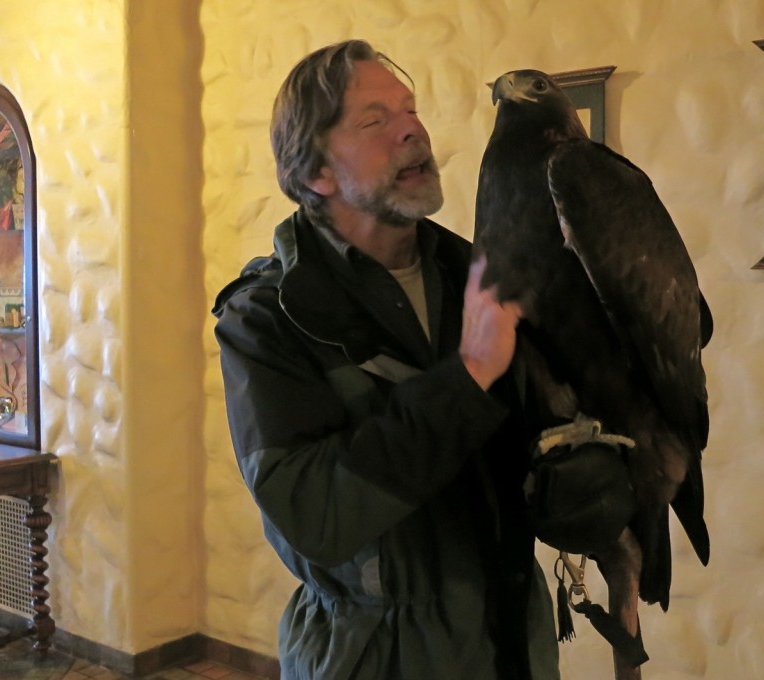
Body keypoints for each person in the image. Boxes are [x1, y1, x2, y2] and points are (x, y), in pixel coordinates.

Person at [212, 39, 560, 680]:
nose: (412, 130)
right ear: (316, 171)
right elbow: (315, 511)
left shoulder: (479, 275)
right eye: (375, 120)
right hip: (373, 655)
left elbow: (538, 439)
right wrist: (470, 375)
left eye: (411, 110)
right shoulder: (267, 318)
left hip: (513, 643)